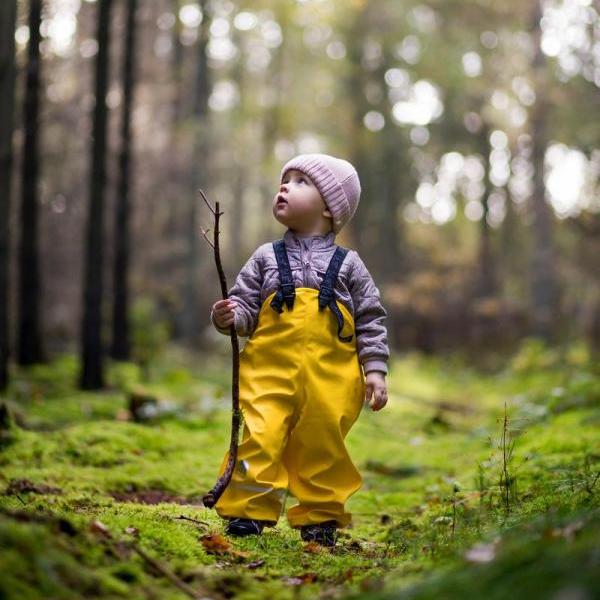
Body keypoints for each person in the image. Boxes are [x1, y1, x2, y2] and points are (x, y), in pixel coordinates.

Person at [210, 153, 389, 547]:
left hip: (331, 379)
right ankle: (247, 511)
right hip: (267, 371)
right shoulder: (264, 258)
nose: (284, 186)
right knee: (259, 433)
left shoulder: (350, 266)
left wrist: (374, 369)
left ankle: (320, 517)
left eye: (300, 181)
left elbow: (371, 318)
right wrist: (230, 317)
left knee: (322, 444)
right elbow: (244, 308)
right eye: (284, 179)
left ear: (329, 207)